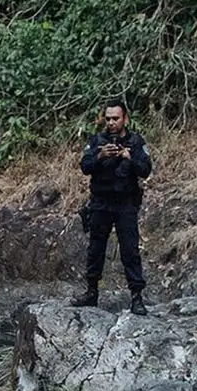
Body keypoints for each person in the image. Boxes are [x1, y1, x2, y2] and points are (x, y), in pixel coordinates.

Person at [71, 100, 153, 314]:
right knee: (95, 249)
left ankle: (136, 296)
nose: (111, 122)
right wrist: (100, 155)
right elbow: (85, 167)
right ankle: (91, 292)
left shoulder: (135, 142)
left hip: (126, 204)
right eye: (108, 119)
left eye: (115, 118)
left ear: (124, 119)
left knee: (130, 250)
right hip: (100, 203)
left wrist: (130, 158)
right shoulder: (97, 141)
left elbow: (146, 170)